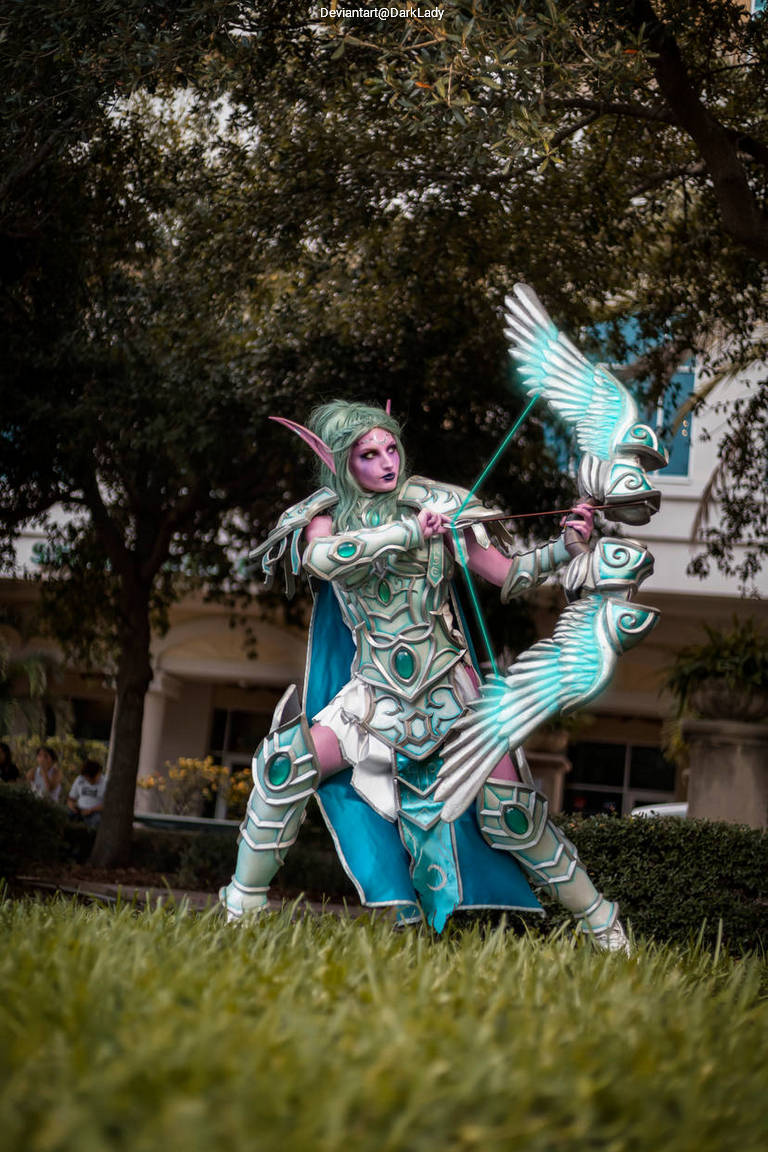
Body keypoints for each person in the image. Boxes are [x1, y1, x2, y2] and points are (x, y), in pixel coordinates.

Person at [220, 400, 631, 950]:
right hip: (373, 698)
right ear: (343, 463)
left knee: (512, 816)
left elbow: (510, 576)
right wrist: (409, 533)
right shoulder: (326, 517)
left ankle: (605, 924)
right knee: (283, 767)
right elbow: (324, 558)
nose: (387, 462)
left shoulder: (438, 505)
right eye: (370, 454)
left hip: (450, 696)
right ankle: (239, 911)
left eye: (392, 448)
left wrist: (566, 546)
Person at [67, 758, 106, 827]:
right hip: (79, 810)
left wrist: (91, 810)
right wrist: (72, 806)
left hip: (95, 812)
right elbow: (71, 798)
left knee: (97, 821)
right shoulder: (80, 779)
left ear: (99, 773)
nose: (89, 781)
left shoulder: (105, 782)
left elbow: (107, 804)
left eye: (92, 779)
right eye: (87, 778)